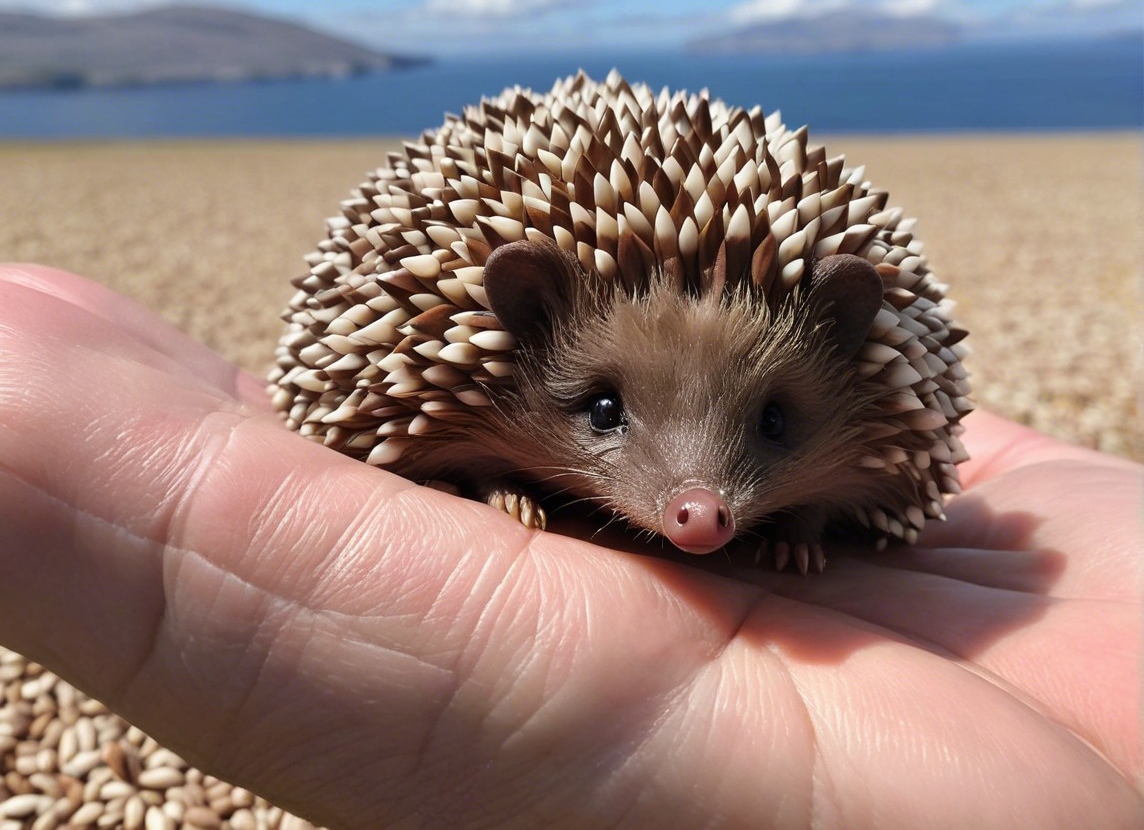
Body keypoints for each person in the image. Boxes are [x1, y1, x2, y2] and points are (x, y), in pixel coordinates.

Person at [0, 263, 1140, 830]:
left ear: (840, 356)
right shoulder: (472, 385)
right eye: (604, 411)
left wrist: (801, 516)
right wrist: (494, 477)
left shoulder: (872, 430)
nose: (700, 502)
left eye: (772, 424)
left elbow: (885, 472)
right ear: (524, 322)